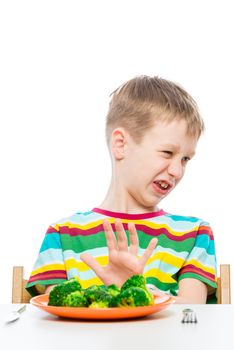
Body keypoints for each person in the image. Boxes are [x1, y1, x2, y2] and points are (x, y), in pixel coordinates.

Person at [26, 75, 217, 303]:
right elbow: (55, 318)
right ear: (121, 145)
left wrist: (137, 294)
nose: (177, 170)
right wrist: (114, 293)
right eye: (167, 153)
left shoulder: (194, 234)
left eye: (186, 158)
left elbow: (193, 315)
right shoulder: (63, 234)